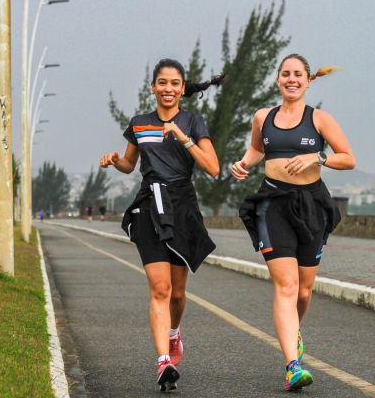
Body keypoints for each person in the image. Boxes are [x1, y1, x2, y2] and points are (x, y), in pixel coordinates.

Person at [231, 54, 355, 391]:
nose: (292, 79)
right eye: (286, 74)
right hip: (272, 203)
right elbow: (257, 150)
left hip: (311, 203)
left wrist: (318, 156)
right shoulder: (262, 117)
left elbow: (349, 158)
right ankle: (292, 365)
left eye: (298, 75)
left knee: (303, 290)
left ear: (308, 80)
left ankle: (293, 333)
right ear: (278, 79)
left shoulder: (319, 120)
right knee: (285, 286)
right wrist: (243, 163)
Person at [100, 58, 223, 392]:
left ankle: (173, 334)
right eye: (162, 83)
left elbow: (213, 168)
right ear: (153, 87)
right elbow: (130, 164)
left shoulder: (193, 122)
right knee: (160, 288)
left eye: (174, 83)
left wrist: (183, 137)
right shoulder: (139, 124)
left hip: (182, 208)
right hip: (149, 206)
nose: (168, 89)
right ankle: (162, 362)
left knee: (178, 293)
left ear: (183, 89)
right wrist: (115, 161)